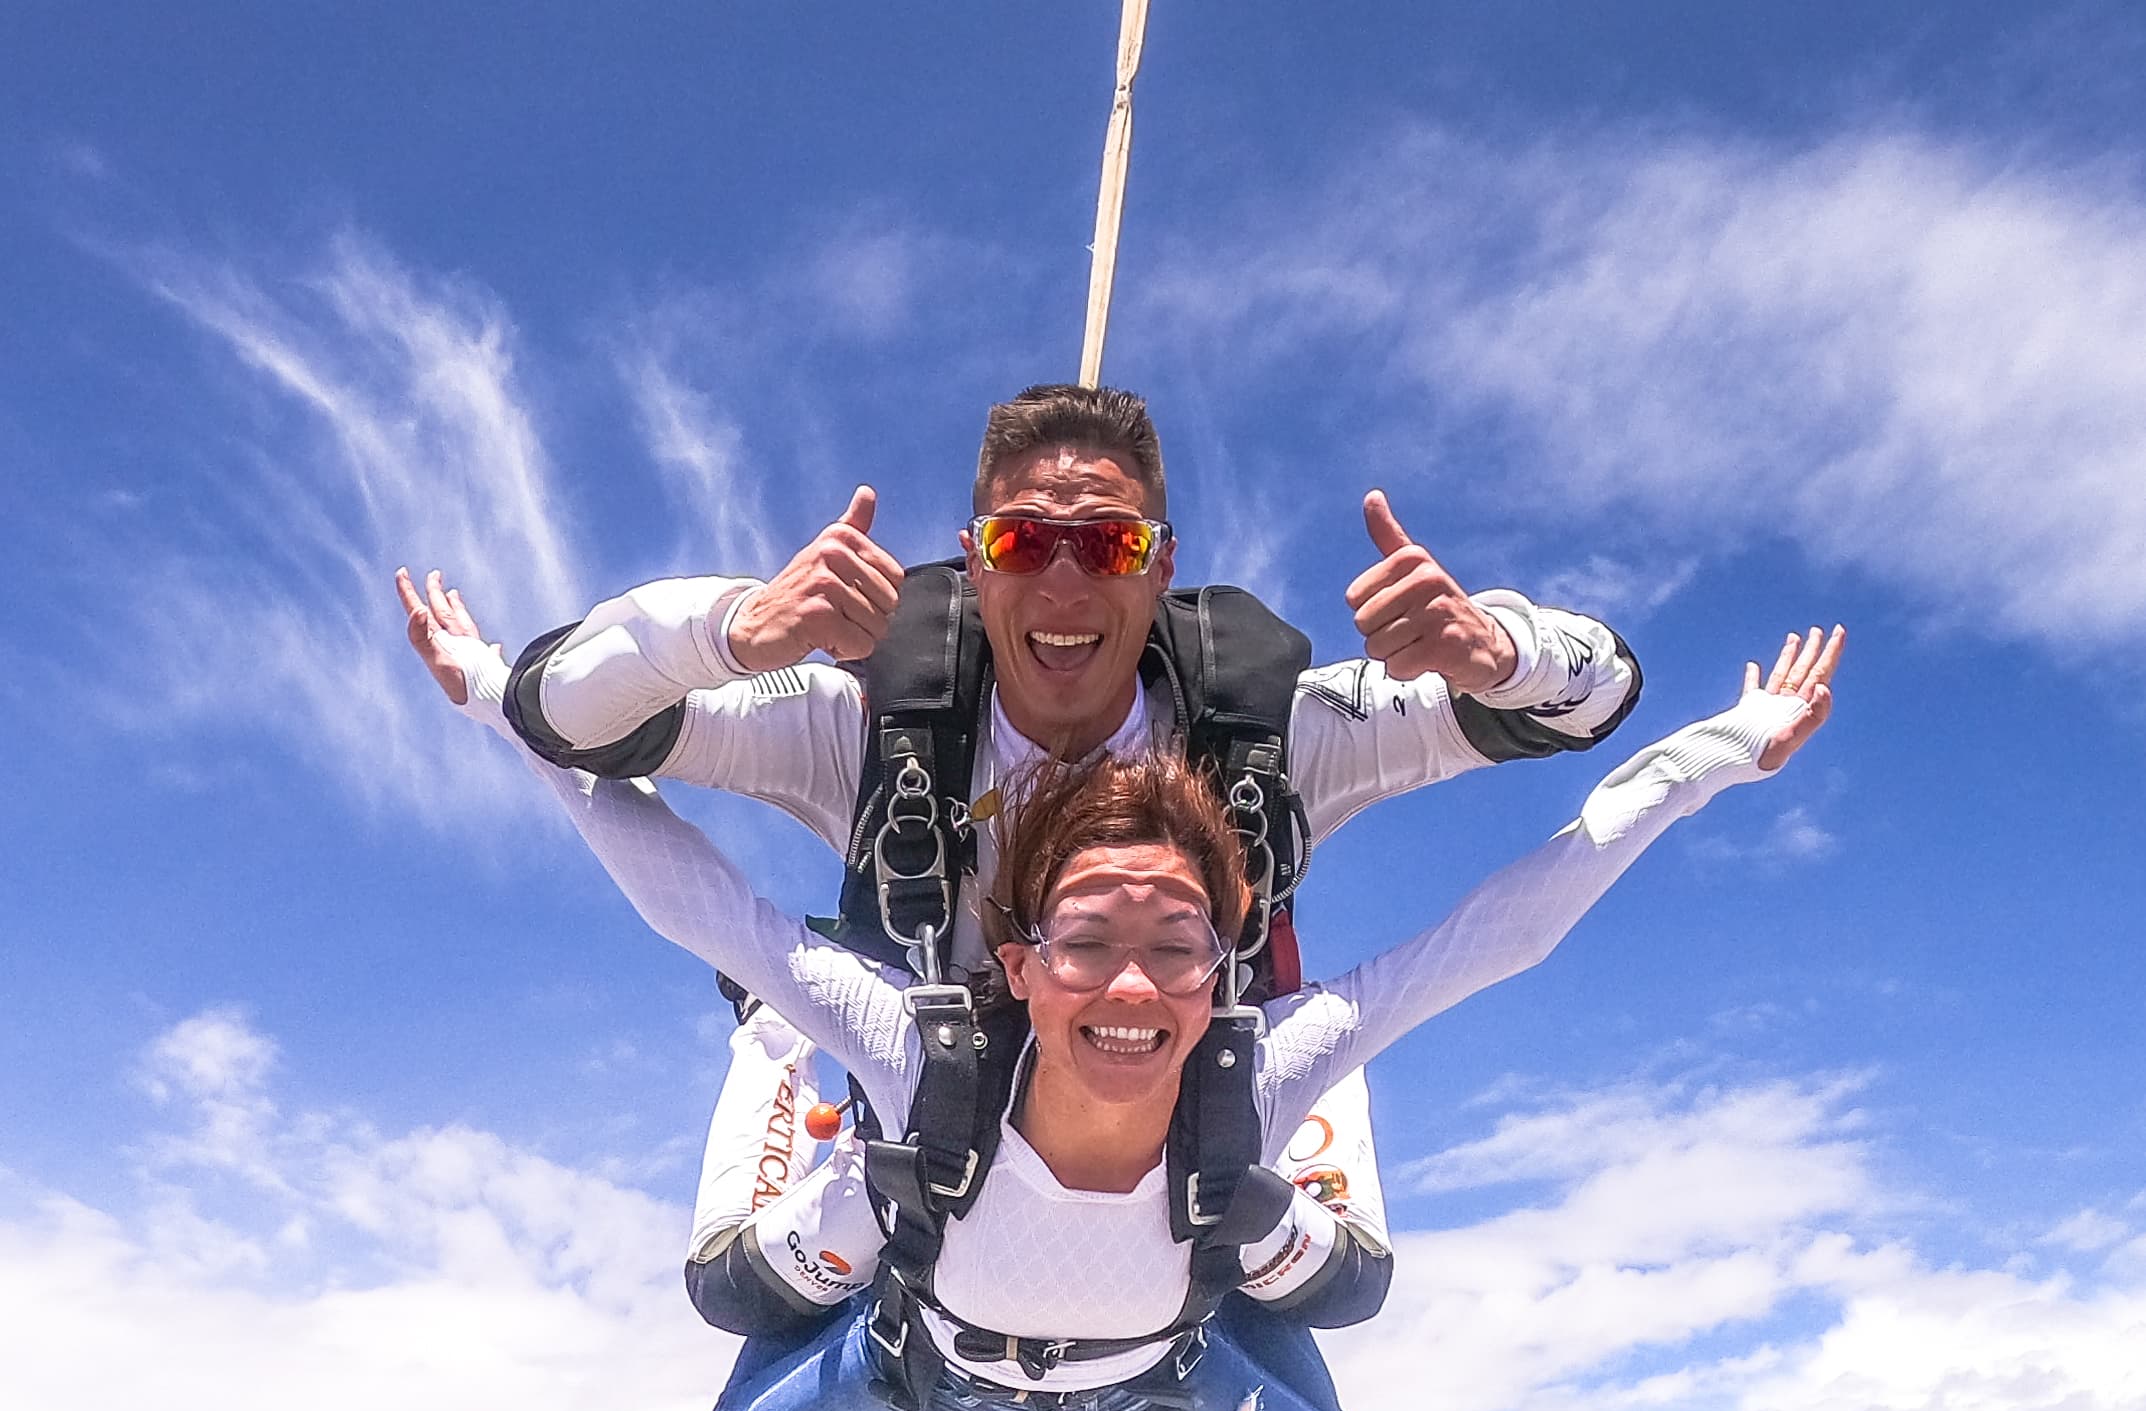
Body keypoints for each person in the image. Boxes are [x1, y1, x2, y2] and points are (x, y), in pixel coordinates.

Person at [405, 596, 1842, 1411]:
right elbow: (687, 894)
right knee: (736, 1371)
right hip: (932, 1358)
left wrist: (1724, 749)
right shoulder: (922, 1053)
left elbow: (1512, 924)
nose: (1135, 985)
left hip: (1158, 1370)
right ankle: (779, 1061)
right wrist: (491, 692)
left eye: (1178, 945)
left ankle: (1251, 1222)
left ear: (1223, 967)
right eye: (1088, 940)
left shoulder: (1258, 1062)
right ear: (1018, 966)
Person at [410, 384, 1645, 1344]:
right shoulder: (865, 730)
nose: (1062, 578)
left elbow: (1594, 699)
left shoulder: (1270, 738)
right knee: (741, 1299)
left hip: (1189, 1107)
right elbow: (566, 716)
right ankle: (810, 1102)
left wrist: (1501, 656)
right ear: (974, 557)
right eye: (1022, 540)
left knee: (1338, 1293)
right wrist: (732, 632)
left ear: (1160, 565)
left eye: (1107, 545)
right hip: (927, 1100)